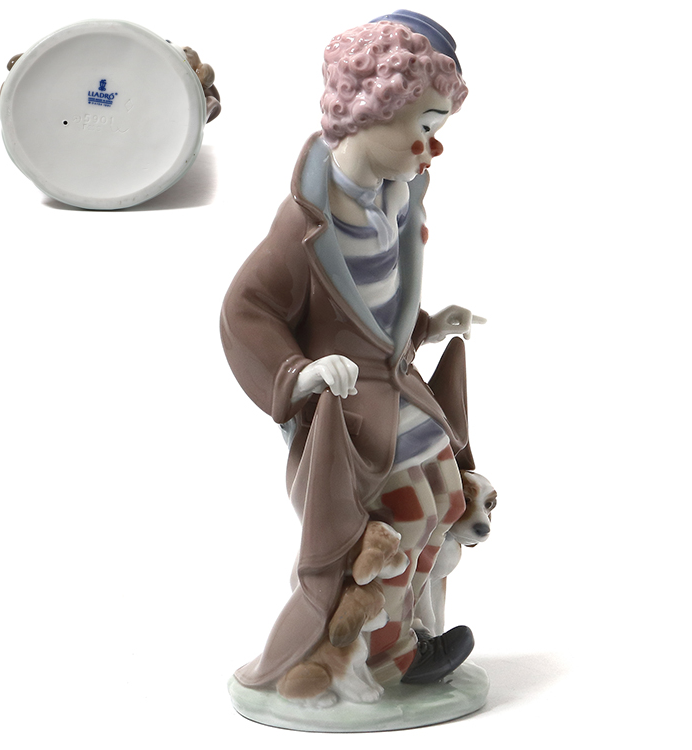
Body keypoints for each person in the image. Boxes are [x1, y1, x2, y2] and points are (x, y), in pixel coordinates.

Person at [221, 11, 484, 693]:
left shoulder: (396, 198)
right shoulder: (307, 220)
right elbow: (246, 308)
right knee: (400, 515)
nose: (433, 148)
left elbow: (374, 305)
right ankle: (388, 656)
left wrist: (425, 325)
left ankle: (410, 632)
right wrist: (299, 373)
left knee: (447, 498)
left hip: (394, 384)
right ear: (375, 109)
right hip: (354, 408)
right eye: (425, 125)